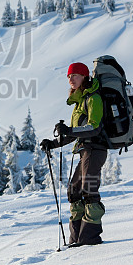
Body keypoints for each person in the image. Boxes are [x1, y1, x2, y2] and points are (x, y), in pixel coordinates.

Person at [40, 62, 108, 247]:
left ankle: (89, 239)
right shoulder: (80, 101)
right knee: (74, 191)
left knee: (89, 190)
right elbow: (75, 132)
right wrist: (52, 143)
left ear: (85, 76)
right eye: (69, 76)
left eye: (75, 75)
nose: (71, 79)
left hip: (95, 150)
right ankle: (77, 238)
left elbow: (94, 127)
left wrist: (69, 130)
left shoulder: (93, 98)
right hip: (84, 151)